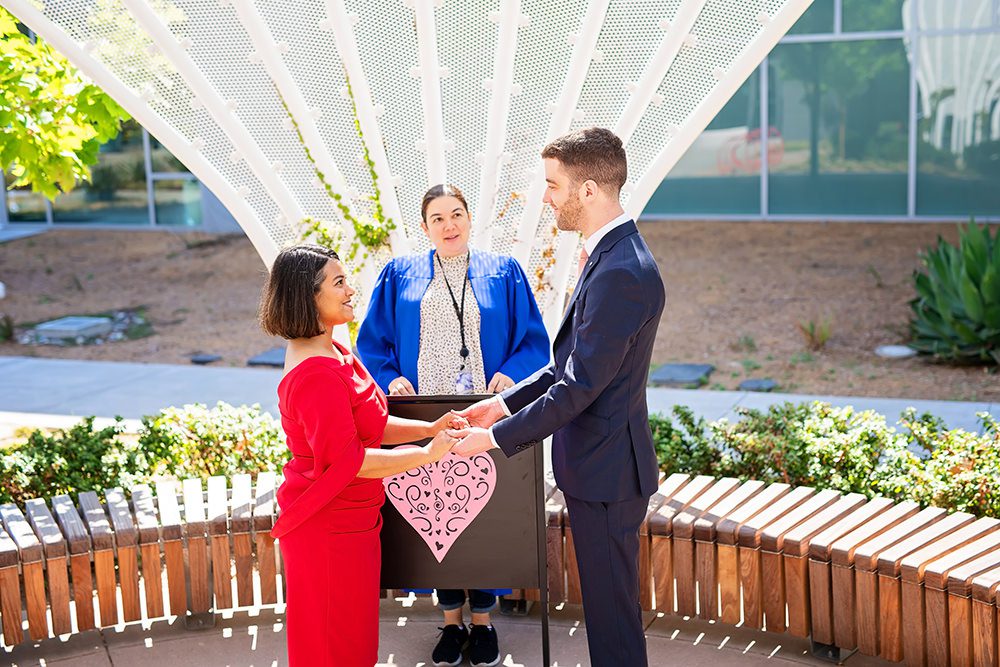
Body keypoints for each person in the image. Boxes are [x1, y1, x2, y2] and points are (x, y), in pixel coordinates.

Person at [452, 127, 666, 667]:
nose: (546, 198)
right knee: (606, 613)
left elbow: (579, 387)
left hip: (608, 474)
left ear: (588, 190)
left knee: (613, 621)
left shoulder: (622, 272)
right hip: (600, 470)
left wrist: (493, 440)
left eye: (553, 185)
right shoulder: (609, 256)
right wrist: (502, 405)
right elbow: (570, 366)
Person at [357, 184, 549, 667]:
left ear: (469, 219)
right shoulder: (399, 275)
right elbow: (372, 344)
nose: (449, 225)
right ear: (424, 228)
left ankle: (482, 621)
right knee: (436, 512)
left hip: (485, 412)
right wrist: (392, 377)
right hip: (424, 416)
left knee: (481, 515)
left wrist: (512, 376)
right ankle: (449, 620)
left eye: (457, 214)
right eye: (437, 218)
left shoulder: (502, 272)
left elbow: (532, 340)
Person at [259, 244, 465, 667]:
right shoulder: (315, 372)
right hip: (328, 531)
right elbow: (350, 461)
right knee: (334, 650)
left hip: (352, 524)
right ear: (307, 295)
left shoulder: (332, 349)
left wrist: (431, 427)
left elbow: (368, 424)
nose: (351, 290)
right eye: (338, 283)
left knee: (353, 645)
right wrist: (428, 453)